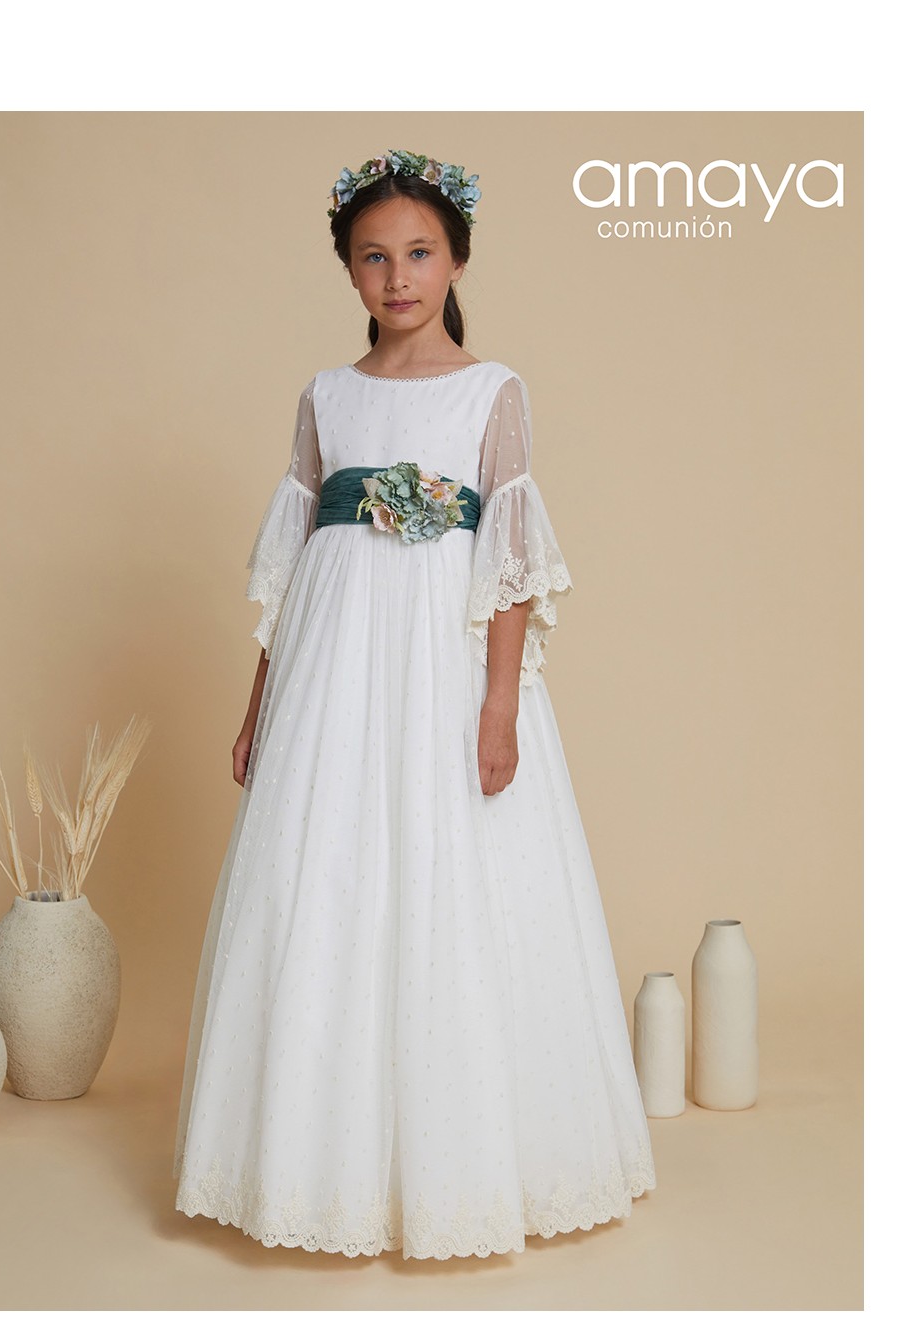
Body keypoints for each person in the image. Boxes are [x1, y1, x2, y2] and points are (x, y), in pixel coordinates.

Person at [173, 148, 656, 1260]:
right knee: (328, 879)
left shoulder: (493, 392)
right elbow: (290, 573)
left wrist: (498, 705)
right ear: (348, 270)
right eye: (374, 257)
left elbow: (509, 562)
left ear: (457, 261)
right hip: (333, 676)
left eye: (419, 254)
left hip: (443, 667)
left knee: (457, 874)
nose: (398, 278)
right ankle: (318, 1166)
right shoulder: (326, 397)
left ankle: (464, 1166)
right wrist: (259, 704)